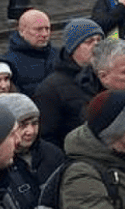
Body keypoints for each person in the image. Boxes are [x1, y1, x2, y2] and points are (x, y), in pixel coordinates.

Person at [35, 18, 105, 146]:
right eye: (89, 42)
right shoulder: (50, 88)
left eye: (99, 40)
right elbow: (47, 137)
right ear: (73, 48)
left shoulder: (103, 77)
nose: (96, 46)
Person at [0, 9, 55, 98]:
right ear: (22, 31)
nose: (44, 34)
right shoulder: (10, 62)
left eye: (47, 29)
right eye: (38, 29)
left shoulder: (59, 55)